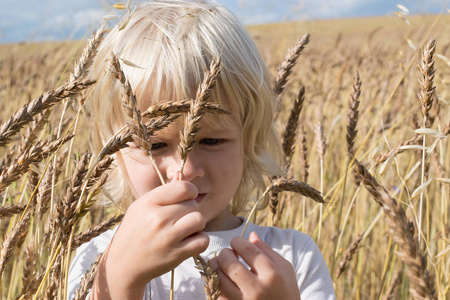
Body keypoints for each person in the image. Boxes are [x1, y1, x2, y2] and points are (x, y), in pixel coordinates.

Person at [68, 1, 336, 299]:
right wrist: (120, 281)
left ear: (249, 140)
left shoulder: (291, 259)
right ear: (115, 152)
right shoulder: (98, 258)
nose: (186, 169)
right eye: (155, 145)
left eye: (211, 141)